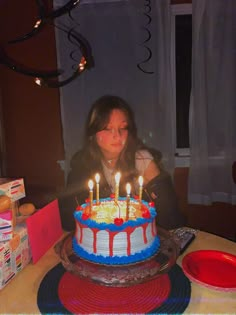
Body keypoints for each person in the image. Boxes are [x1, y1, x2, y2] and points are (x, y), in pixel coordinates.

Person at [58, 95, 186, 231]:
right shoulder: (82, 165)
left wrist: (157, 183)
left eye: (123, 128)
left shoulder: (142, 161)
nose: (117, 135)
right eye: (108, 128)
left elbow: (172, 220)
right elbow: (67, 220)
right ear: (93, 133)